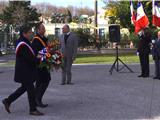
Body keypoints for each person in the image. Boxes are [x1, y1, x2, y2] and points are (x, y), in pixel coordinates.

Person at [2, 25, 44, 116]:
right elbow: (30, 59)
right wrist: (40, 59)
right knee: (30, 89)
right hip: (25, 71)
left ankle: (8, 101)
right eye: (30, 32)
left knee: (24, 88)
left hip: (26, 70)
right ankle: (32, 109)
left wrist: (39, 55)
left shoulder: (25, 41)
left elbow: (32, 54)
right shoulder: (22, 44)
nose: (31, 34)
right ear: (24, 33)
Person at [32, 22, 51, 108]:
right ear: (38, 30)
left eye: (44, 28)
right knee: (44, 81)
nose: (44, 29)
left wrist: (51, 52)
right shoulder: (36, 40)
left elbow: (47, 49)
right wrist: (47, 51)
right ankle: (38, 99)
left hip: (44, 63)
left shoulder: (44, 38)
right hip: (39, 64)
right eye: (42, 28)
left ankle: (35, 100)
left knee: (40, 82)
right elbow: (36, 53)